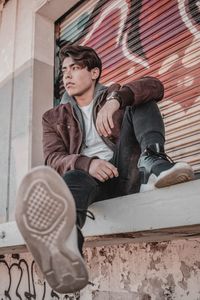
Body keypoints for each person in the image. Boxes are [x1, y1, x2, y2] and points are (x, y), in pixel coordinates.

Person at [15, 45, 194, 294]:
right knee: (75, 176)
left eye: (75, 68)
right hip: (91, 185)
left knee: (139, 97)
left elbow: (155, 85)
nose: (66, 75)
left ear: (94, 72)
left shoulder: (113, 93)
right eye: (64, 70)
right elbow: (54, 158)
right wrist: (89, 163)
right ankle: (65, 246)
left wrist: (116, 100)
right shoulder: (53, 117)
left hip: (127, 174)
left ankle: (155, 163)